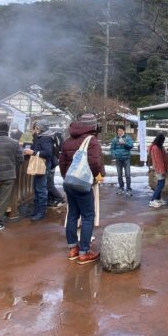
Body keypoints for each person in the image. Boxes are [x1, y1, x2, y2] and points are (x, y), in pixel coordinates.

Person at [59, 113, 105, 265]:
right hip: (83, 184)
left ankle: (73, 249)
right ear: (93, 125)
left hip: (69, 182)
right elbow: (95, 163)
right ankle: (84, 252)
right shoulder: (92, 141)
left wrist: (67, 177)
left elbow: (62, 163)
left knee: (72, 214)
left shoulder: (67, 141)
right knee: (87, 216)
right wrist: (93, 177)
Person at [24, 120, 53, 222]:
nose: (35, 129)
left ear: (40, 128)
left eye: (36, 127)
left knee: (40, 189)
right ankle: (37, 211)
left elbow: (48, 153)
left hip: (43, 165)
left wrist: (34, 152)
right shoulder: (41, 137)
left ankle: (41, 212)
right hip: (41, 165)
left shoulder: (45, 138)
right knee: (37, 188)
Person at [44, 128, 66, 207]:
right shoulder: (52, 137)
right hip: (53, 162)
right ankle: (51, 199)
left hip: (50, 163)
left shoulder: (47, 138)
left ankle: (59, 198)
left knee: (49, 185)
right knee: (50, 184)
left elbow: (48, 152)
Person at [111, 125, 134, 196]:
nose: (119, 132)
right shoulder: (115, 139)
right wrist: (114, 155)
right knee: (119, 175)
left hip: (126, 159)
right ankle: (121, 187)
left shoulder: (128, 138)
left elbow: (131, 146)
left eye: (120, 131)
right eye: (118, 131)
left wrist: (124, 143)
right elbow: (112, 148)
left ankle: (129, 189)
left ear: (124, 131)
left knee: (127, 175)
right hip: (118, 160)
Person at [148, 134, 168, 208]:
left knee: (160, 184)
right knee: (160, 184)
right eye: (163, 140)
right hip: (159, 169)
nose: (163, 142)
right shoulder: (156, 148)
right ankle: (152, 200)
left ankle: (158, 198)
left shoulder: (159, 147)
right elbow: (158, 160)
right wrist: (162, 171)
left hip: (160, 168)